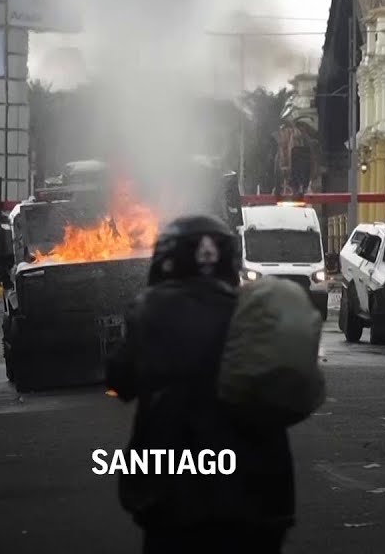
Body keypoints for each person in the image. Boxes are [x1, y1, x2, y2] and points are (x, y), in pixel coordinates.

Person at [105, 214, 295, 554]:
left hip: (173, 498)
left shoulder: (150, 309)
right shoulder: (254, 310)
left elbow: (119, 380)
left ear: (167, 260)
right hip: (258, 494)